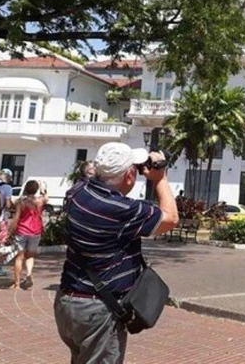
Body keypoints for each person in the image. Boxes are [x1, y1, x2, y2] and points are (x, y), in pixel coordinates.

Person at [54, 142, 179, 364]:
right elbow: (170, 218)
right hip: (97, 311)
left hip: (69, 302)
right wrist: (160, 178)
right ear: (130, 176)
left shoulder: (78, 193)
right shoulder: (120, 210)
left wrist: (133, 169)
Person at [8, 179, 48, 289]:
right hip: (36, 231)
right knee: (30, 256)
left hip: (22, 230)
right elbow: (46, 197)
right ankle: (29, 274)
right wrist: (43, 189)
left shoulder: (21, 202)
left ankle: (17, 283)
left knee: (19, 257)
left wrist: (10, 231)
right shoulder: (41, 201)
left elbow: (16, 218)